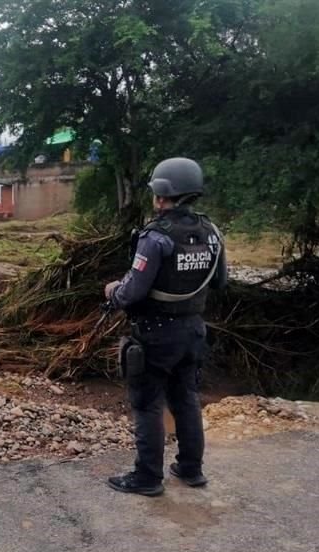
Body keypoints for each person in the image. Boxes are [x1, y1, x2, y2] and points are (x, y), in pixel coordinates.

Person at [104, 157, 227, 497]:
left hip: (155, 334)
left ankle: (147, 477)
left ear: (161, 195)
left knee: (147, 404)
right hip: (194, 331)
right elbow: (220, 282)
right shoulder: (212, 232)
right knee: (186, 398)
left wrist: (113, 291)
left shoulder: (155, 237)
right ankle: (191, 469)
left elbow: (132, 292)